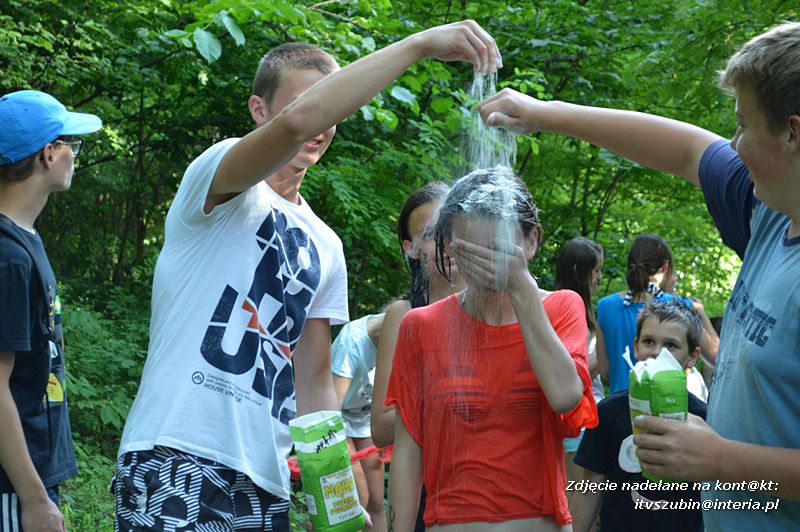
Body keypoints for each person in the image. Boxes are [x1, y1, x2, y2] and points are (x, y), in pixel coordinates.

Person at [113, 21, 500, 530]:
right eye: (316, 103)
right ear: (260, 110)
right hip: (176, 451)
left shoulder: (326, 244)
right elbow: (297, 123)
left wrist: (337, 495)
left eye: (335, 109)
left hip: (265, 480)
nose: (323, 122)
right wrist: (419, 46)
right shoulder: (218, 180)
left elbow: (314, 383)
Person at [478, 20, 800, 529]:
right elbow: (689, 150)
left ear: (792, 132)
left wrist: (720, 461)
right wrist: (543, 114)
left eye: (743, 125)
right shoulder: (770, 211)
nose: (733, 145)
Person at [386, 168, 598, 531]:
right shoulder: (421, 326)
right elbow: (407, 454)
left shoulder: (561, 307)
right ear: (451, 247)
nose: (485, 266)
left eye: (496, 249)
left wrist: (520, 288)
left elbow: (565, 395)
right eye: (470, 251)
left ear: (531, 242)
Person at [0, 90, 102, 532]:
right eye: (71, 145)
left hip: (30, 471)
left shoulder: (25, 240)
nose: (74, 156)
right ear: (47, 154)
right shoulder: (8, 257)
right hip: (11, 486)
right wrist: (34, 499)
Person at [370, 181, 464, 532]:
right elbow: (380, 427)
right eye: (429, 234)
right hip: (424, 488)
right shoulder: (404, 315)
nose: (445, 243)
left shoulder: (500, 310)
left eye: (452, 228)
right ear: (411, 249)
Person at [570, 299, 707, 532]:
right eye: (649, 341)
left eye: (671, 345)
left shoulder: (702, 419)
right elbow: (588, 492)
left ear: (692, 357)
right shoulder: (608, 412)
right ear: (636, 346)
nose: (656, 352)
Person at [595, 233, 695, 394]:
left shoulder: (605, 306)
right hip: (667, 405)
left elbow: (605, 371)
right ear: (665, 267)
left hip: (620, 407)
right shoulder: (680, 307)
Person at [553, 237, 605, 499]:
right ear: (578, 270)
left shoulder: (585, 309)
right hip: (573, 421)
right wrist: (606, 356)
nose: (599, 277)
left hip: (587, 417)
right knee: (577, 501)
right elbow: (570, 375)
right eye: (595, 270)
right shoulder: (562, 308)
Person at [331, 312, 387, 531]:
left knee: (376, 502)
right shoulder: (353, 342)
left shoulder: (404, 331)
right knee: (357, 499)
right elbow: (332, 409)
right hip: (337, 418)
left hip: (365, 418)